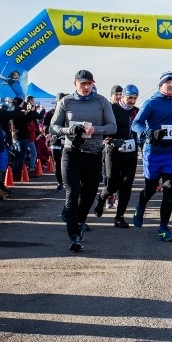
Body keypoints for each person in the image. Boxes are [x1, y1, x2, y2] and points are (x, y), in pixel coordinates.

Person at [50, 70, 117, 251]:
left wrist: (95, 130)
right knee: (72, 192)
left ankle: (79, 220)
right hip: (71, 153)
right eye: (83, 84)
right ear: (75, 84)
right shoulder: (66, 102)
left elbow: (113, 127)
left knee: (88, 195)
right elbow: (53, 127)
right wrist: (69, 130)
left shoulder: (102, 101)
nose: (86, 87)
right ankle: (74, 234)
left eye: (89, 84)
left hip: (93, 154)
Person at [131, 72, 172, 242]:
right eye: (167, 82)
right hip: (153, 153)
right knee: (150, 188)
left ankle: (163, 228)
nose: (171, 84)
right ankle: (140, 207)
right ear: (161, 85)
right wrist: (150, 133)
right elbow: (136, 124)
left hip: (171, 153)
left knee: (169, 189)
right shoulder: (151, 103)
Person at [93, 84, 140, 228]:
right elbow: (102, 129)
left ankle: (119, 217)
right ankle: (101, 198)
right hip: (113, 151)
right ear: (122, 96)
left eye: (135, 98)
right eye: (129, 98)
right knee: (113, 185)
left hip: (130, 152)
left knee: (127, 184)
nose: (132, 101)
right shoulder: (112, 109)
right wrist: (111, 140)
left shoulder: (136, 111)